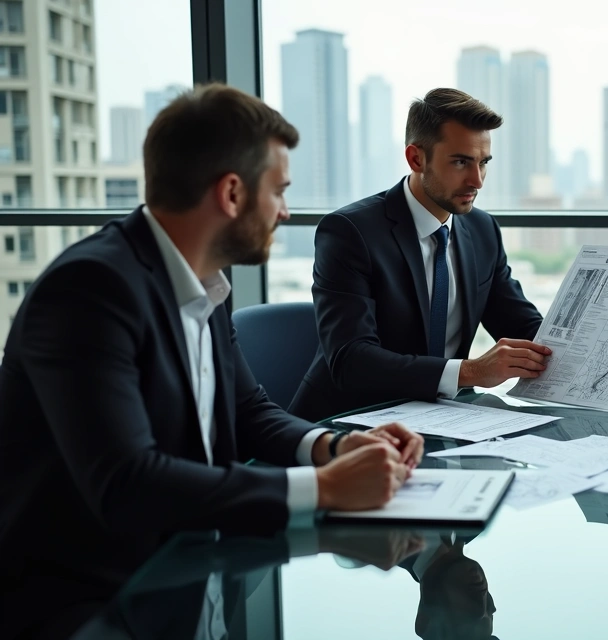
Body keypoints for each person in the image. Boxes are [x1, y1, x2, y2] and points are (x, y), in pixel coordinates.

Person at [0, 84, 425, 639]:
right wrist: (324, 489)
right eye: (279, 191)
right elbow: (128, 484)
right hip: (92, 605)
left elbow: (250, 412)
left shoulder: (204, 282)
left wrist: (336, 447)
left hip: (194, 581)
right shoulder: (91, 290)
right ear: (231, 193)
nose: (285, 212)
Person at [289, 88, 547, 422]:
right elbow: (351, 360)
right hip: (351, 421)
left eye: (483, 163)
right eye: (460, 162)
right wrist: (470, 372)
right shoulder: (350, 232)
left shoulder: (482, 230)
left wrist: (589, 343)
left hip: (445, 419)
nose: (477, 181)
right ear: (416, 159)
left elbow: (522, 326)